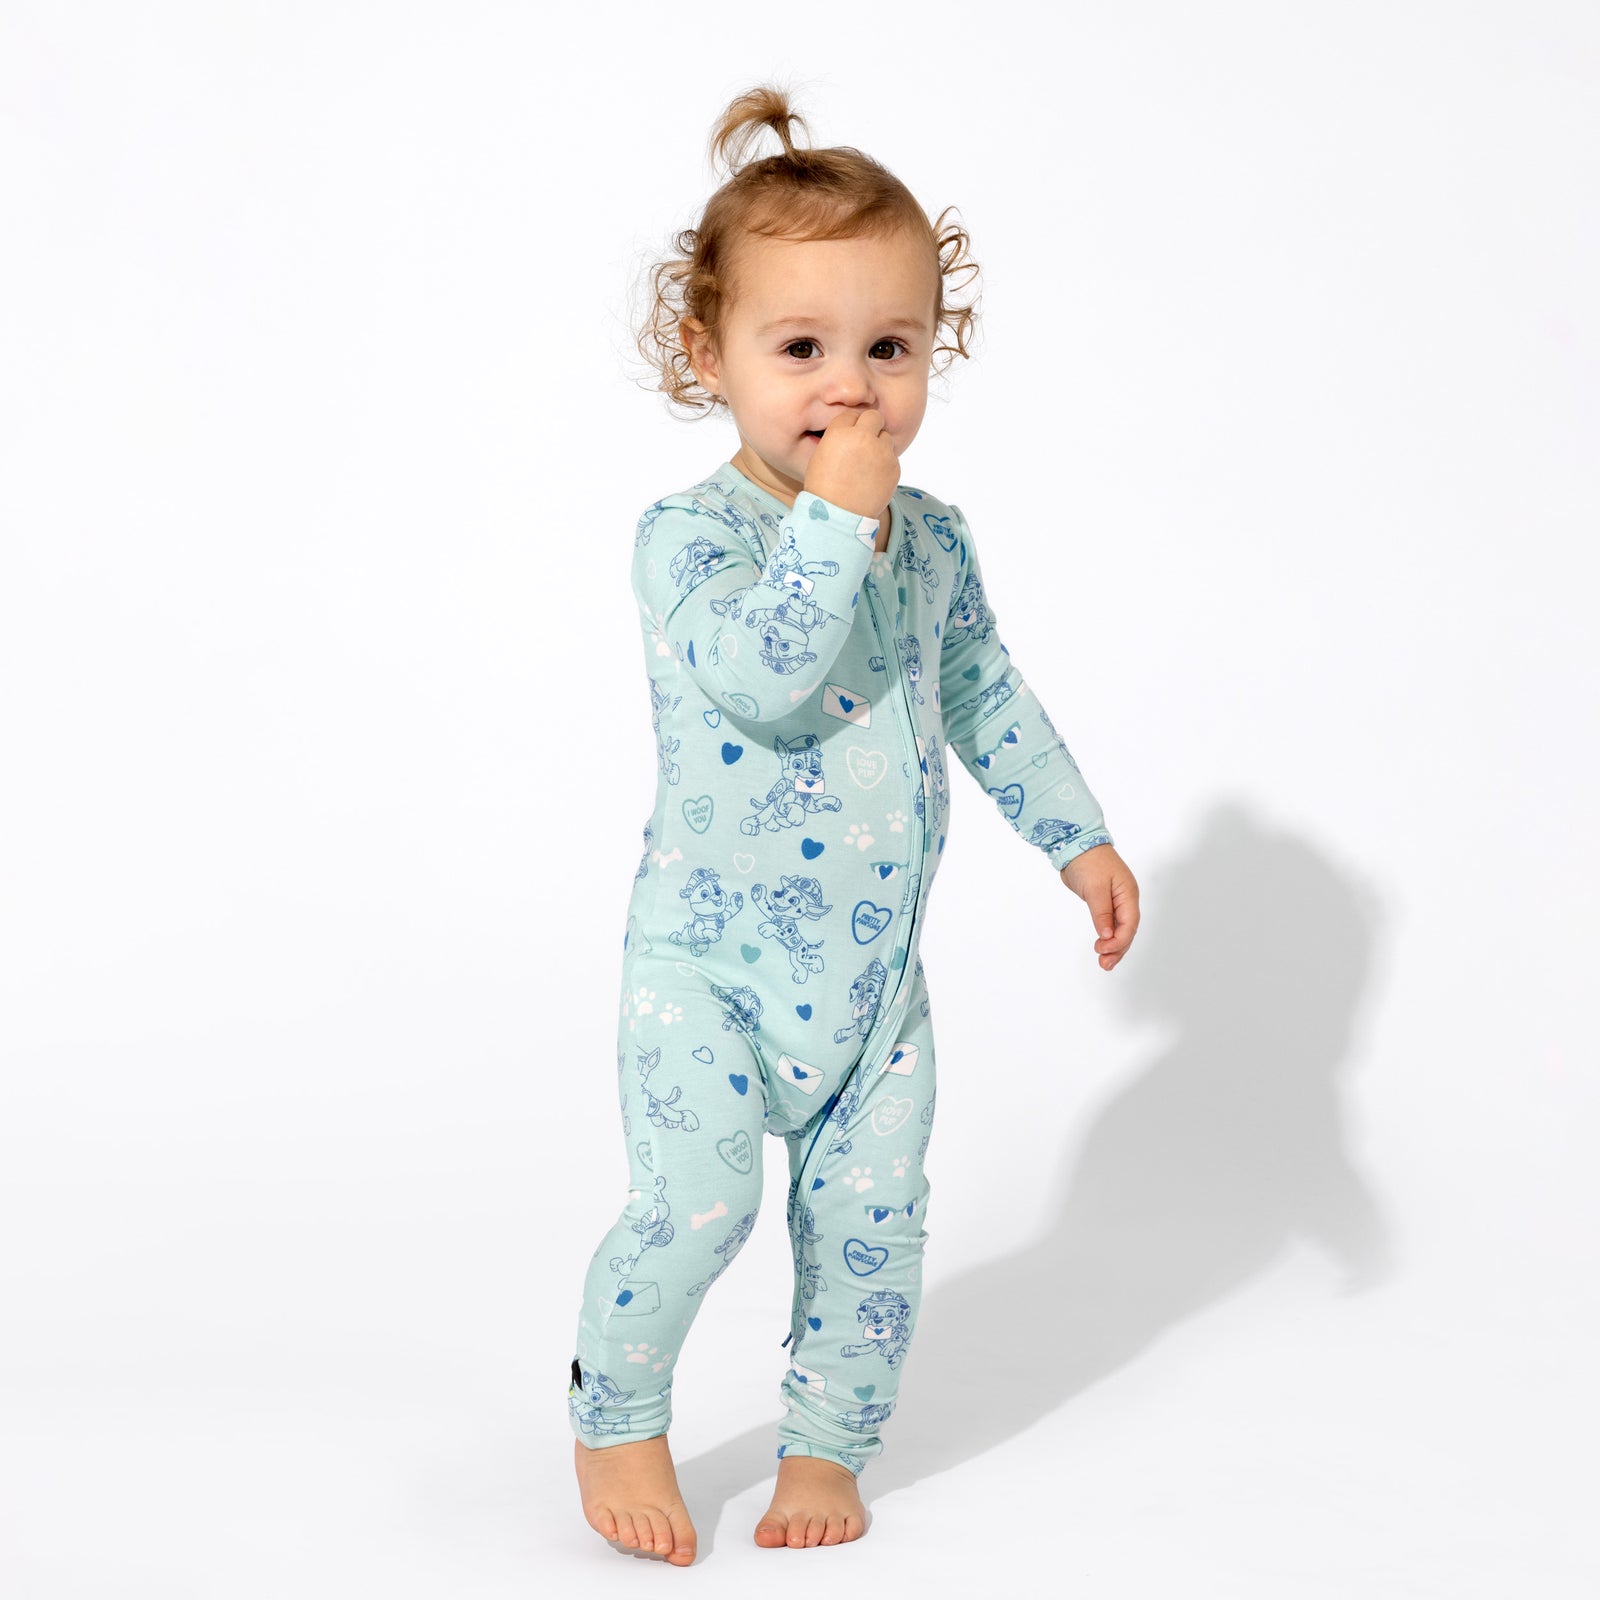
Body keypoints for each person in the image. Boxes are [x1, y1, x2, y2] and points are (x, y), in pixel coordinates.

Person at [569, 82, 1141, 1564]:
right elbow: (764, 673)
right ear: (708, 353)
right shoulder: (688, 539)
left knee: (874, 1228)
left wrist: (1076, 838)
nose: (852, 389)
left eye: (889, 348)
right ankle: (617, 1412)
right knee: (698, 1207)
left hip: (873, 984)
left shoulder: (932, 540)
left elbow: (985, 694)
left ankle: (827, 1445)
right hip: (706, 968)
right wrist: (834, 515)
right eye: (801, 349)